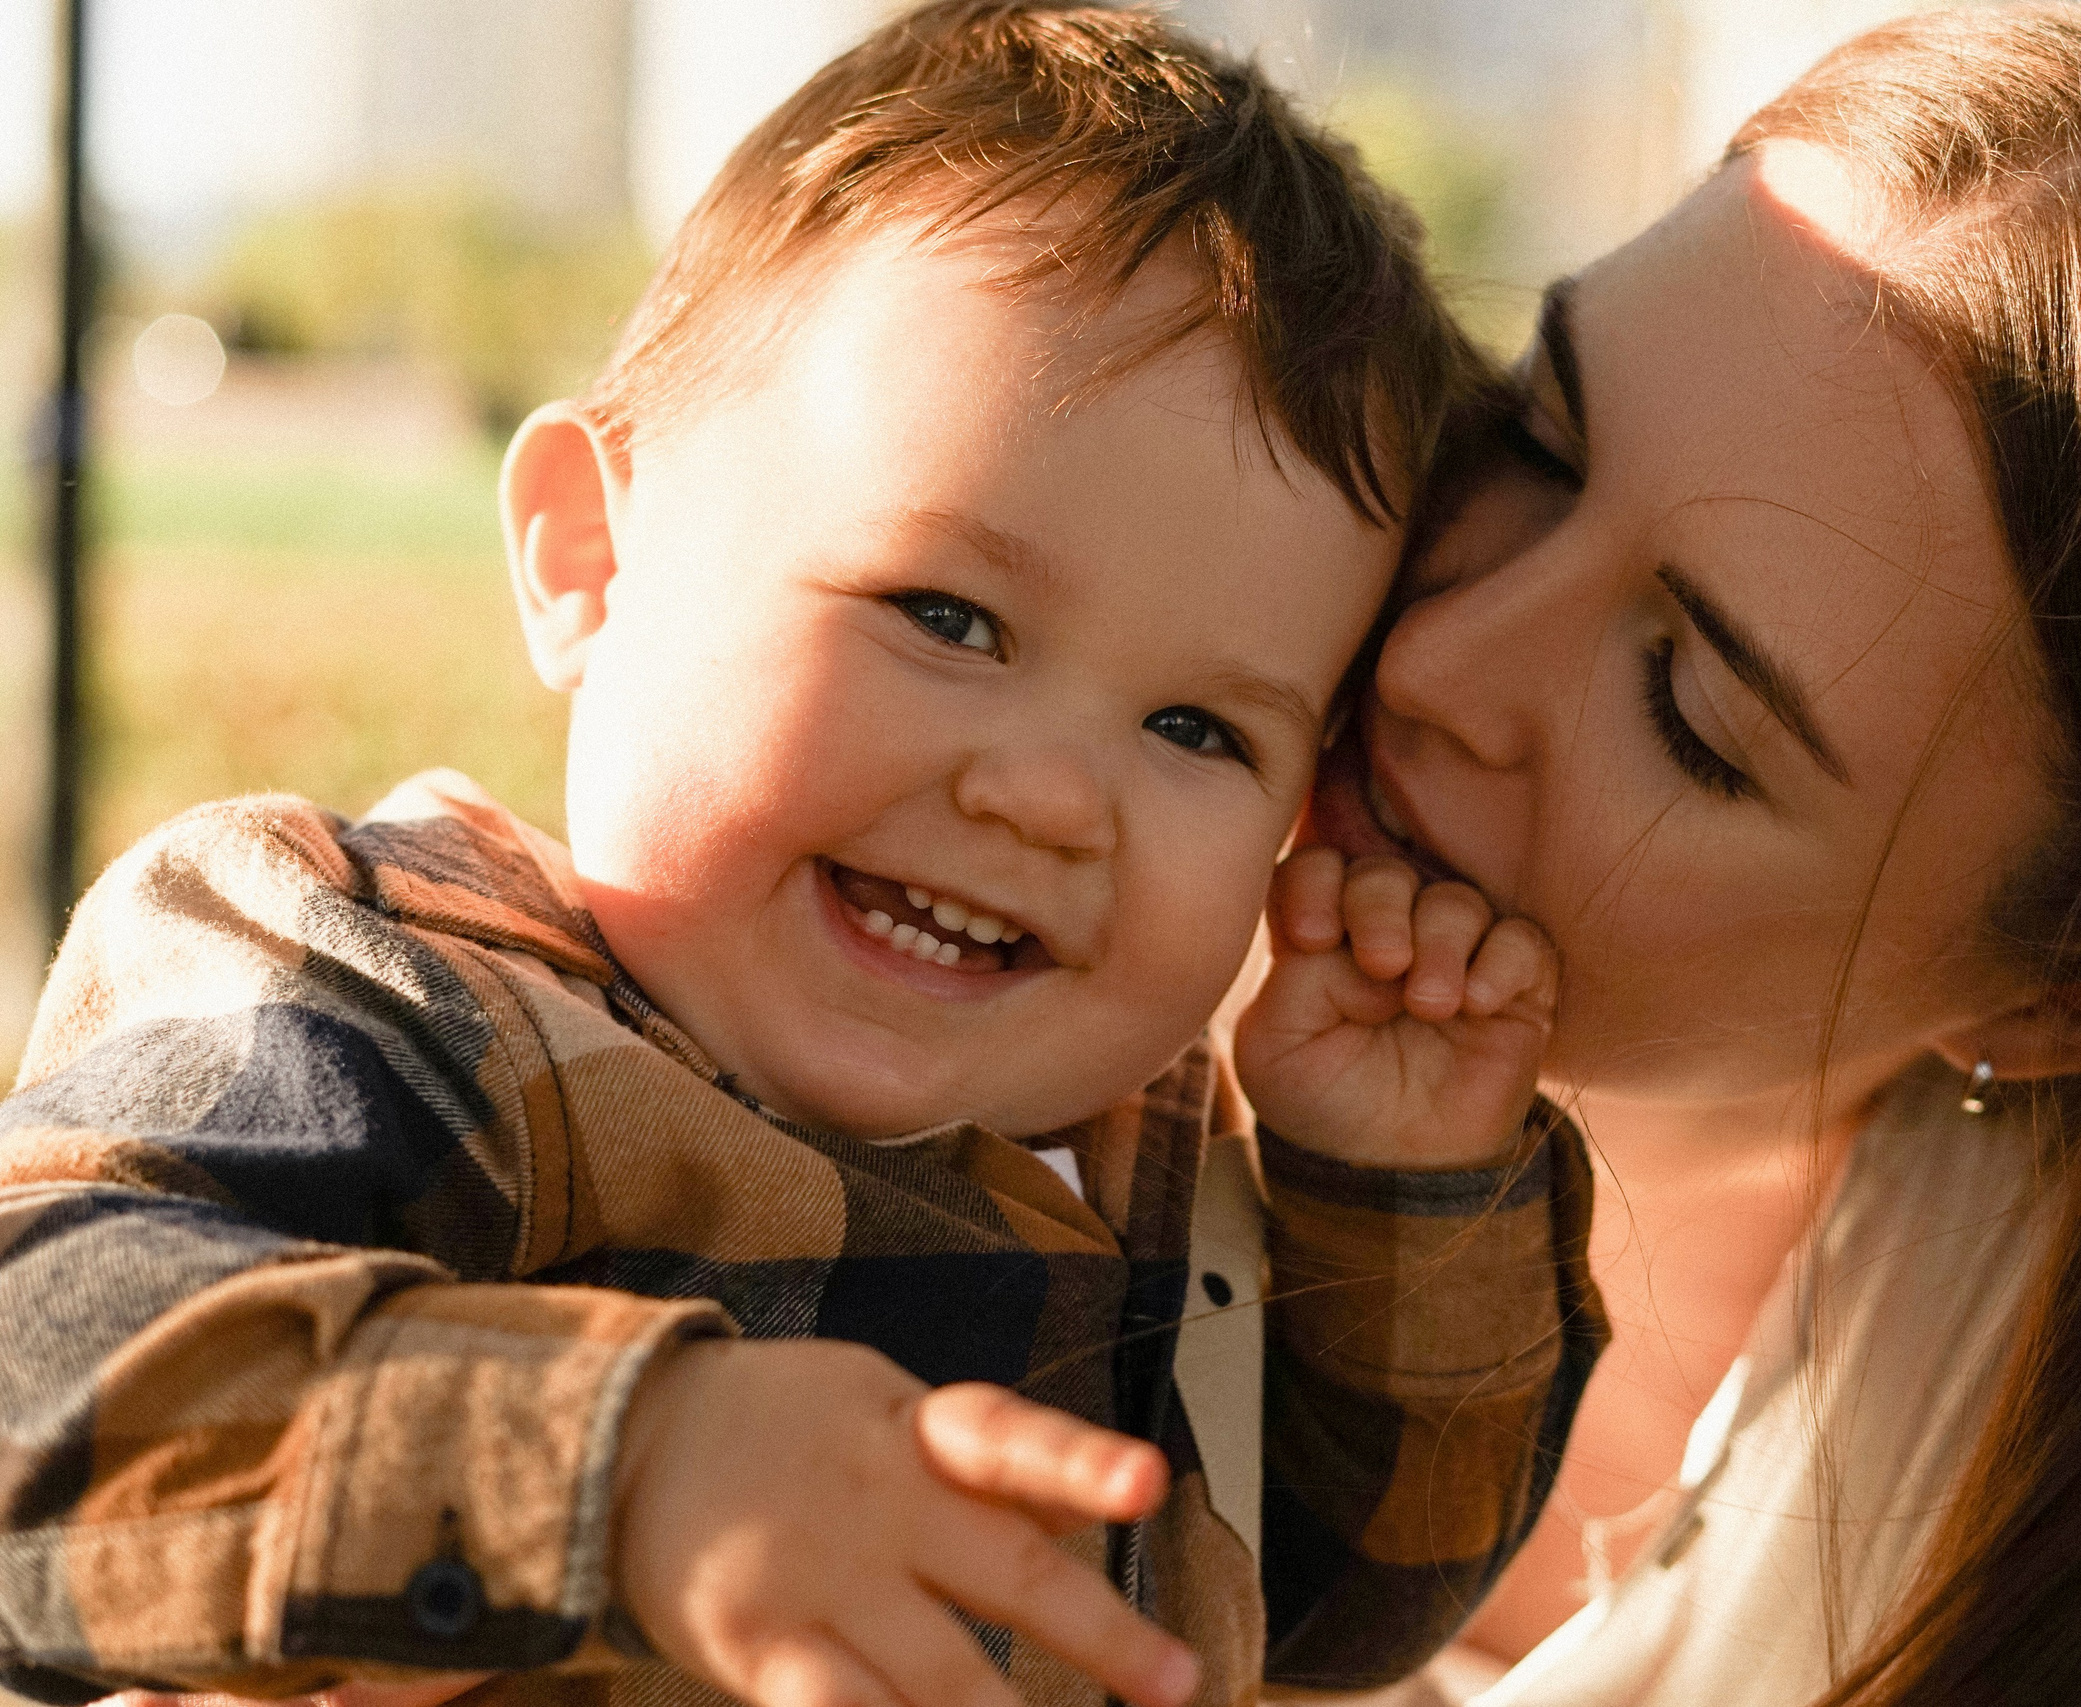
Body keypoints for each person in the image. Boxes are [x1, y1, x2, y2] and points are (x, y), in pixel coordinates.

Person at [0, 8, 1604, 1707]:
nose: (1055, 797)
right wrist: (627, 1468)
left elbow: (1348, 1610)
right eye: (948, 615)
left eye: (1202, 730)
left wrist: (1402, 1196)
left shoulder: (1150, 1178)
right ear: (591, 558)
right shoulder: (405, 995)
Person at [1293, 4, 2081, 1702]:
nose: (1437, 664)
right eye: (1537, 436)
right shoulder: (976, 919)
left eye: (1688, 712)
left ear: (2071, 986)